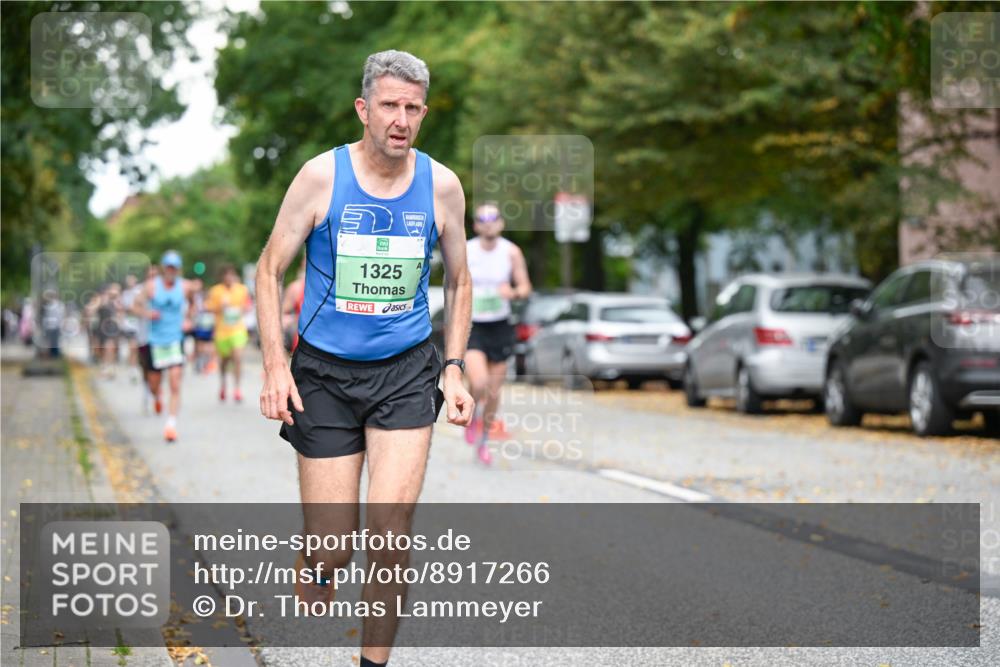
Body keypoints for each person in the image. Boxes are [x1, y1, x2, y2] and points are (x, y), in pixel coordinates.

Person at [255, 50, 473, 667]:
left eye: (412, 108)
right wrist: (276, 365)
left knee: (391, 531)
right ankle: (318, 558)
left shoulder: (443, 185)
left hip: (406, 369)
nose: (400, 119)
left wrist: (453, 367)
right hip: (321, 374)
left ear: (422, 113)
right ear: (363, 109)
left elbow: (460, 280)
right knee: (335, 545)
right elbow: (268, 269)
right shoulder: (321, 177)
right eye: (389, 106)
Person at [463, 202, 532, 464]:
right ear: (476, 225)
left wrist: (512, 293)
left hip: (501, 325)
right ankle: (471, 417)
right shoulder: (467, 250)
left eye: (493, 218)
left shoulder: (511, 252)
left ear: (501, 223)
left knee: (493, 391)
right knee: (479, 382)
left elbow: (525, 287)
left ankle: (483, 440)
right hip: (474, 325)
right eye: (483, 218)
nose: (488, 222)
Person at [132, 251, 195, 442]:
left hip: (175, 339)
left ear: (178, 269)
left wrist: (189, 320)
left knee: (175, 383)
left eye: (174, 267)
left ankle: (171, 425)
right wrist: (147, 313)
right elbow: (135, 306)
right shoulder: (151, 287)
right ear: (163, 268)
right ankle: (157, 396)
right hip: (155, 341)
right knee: (154, 384)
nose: (171, 271)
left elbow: (193, 306)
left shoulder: (185, 287)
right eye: (168, 267)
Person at [205, 264, 251, 402]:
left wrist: (242, 308)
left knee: (237, 357)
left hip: (238, 330)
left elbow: (248, 305)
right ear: (223, 277)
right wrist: (220, 306)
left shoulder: (242, 289)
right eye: (226, 275)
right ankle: (223, 384)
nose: (229, 278)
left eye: (231, 275)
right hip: (222, 331)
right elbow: (209, 308)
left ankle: (237, 389)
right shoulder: (216, 291)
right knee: (224, 362)